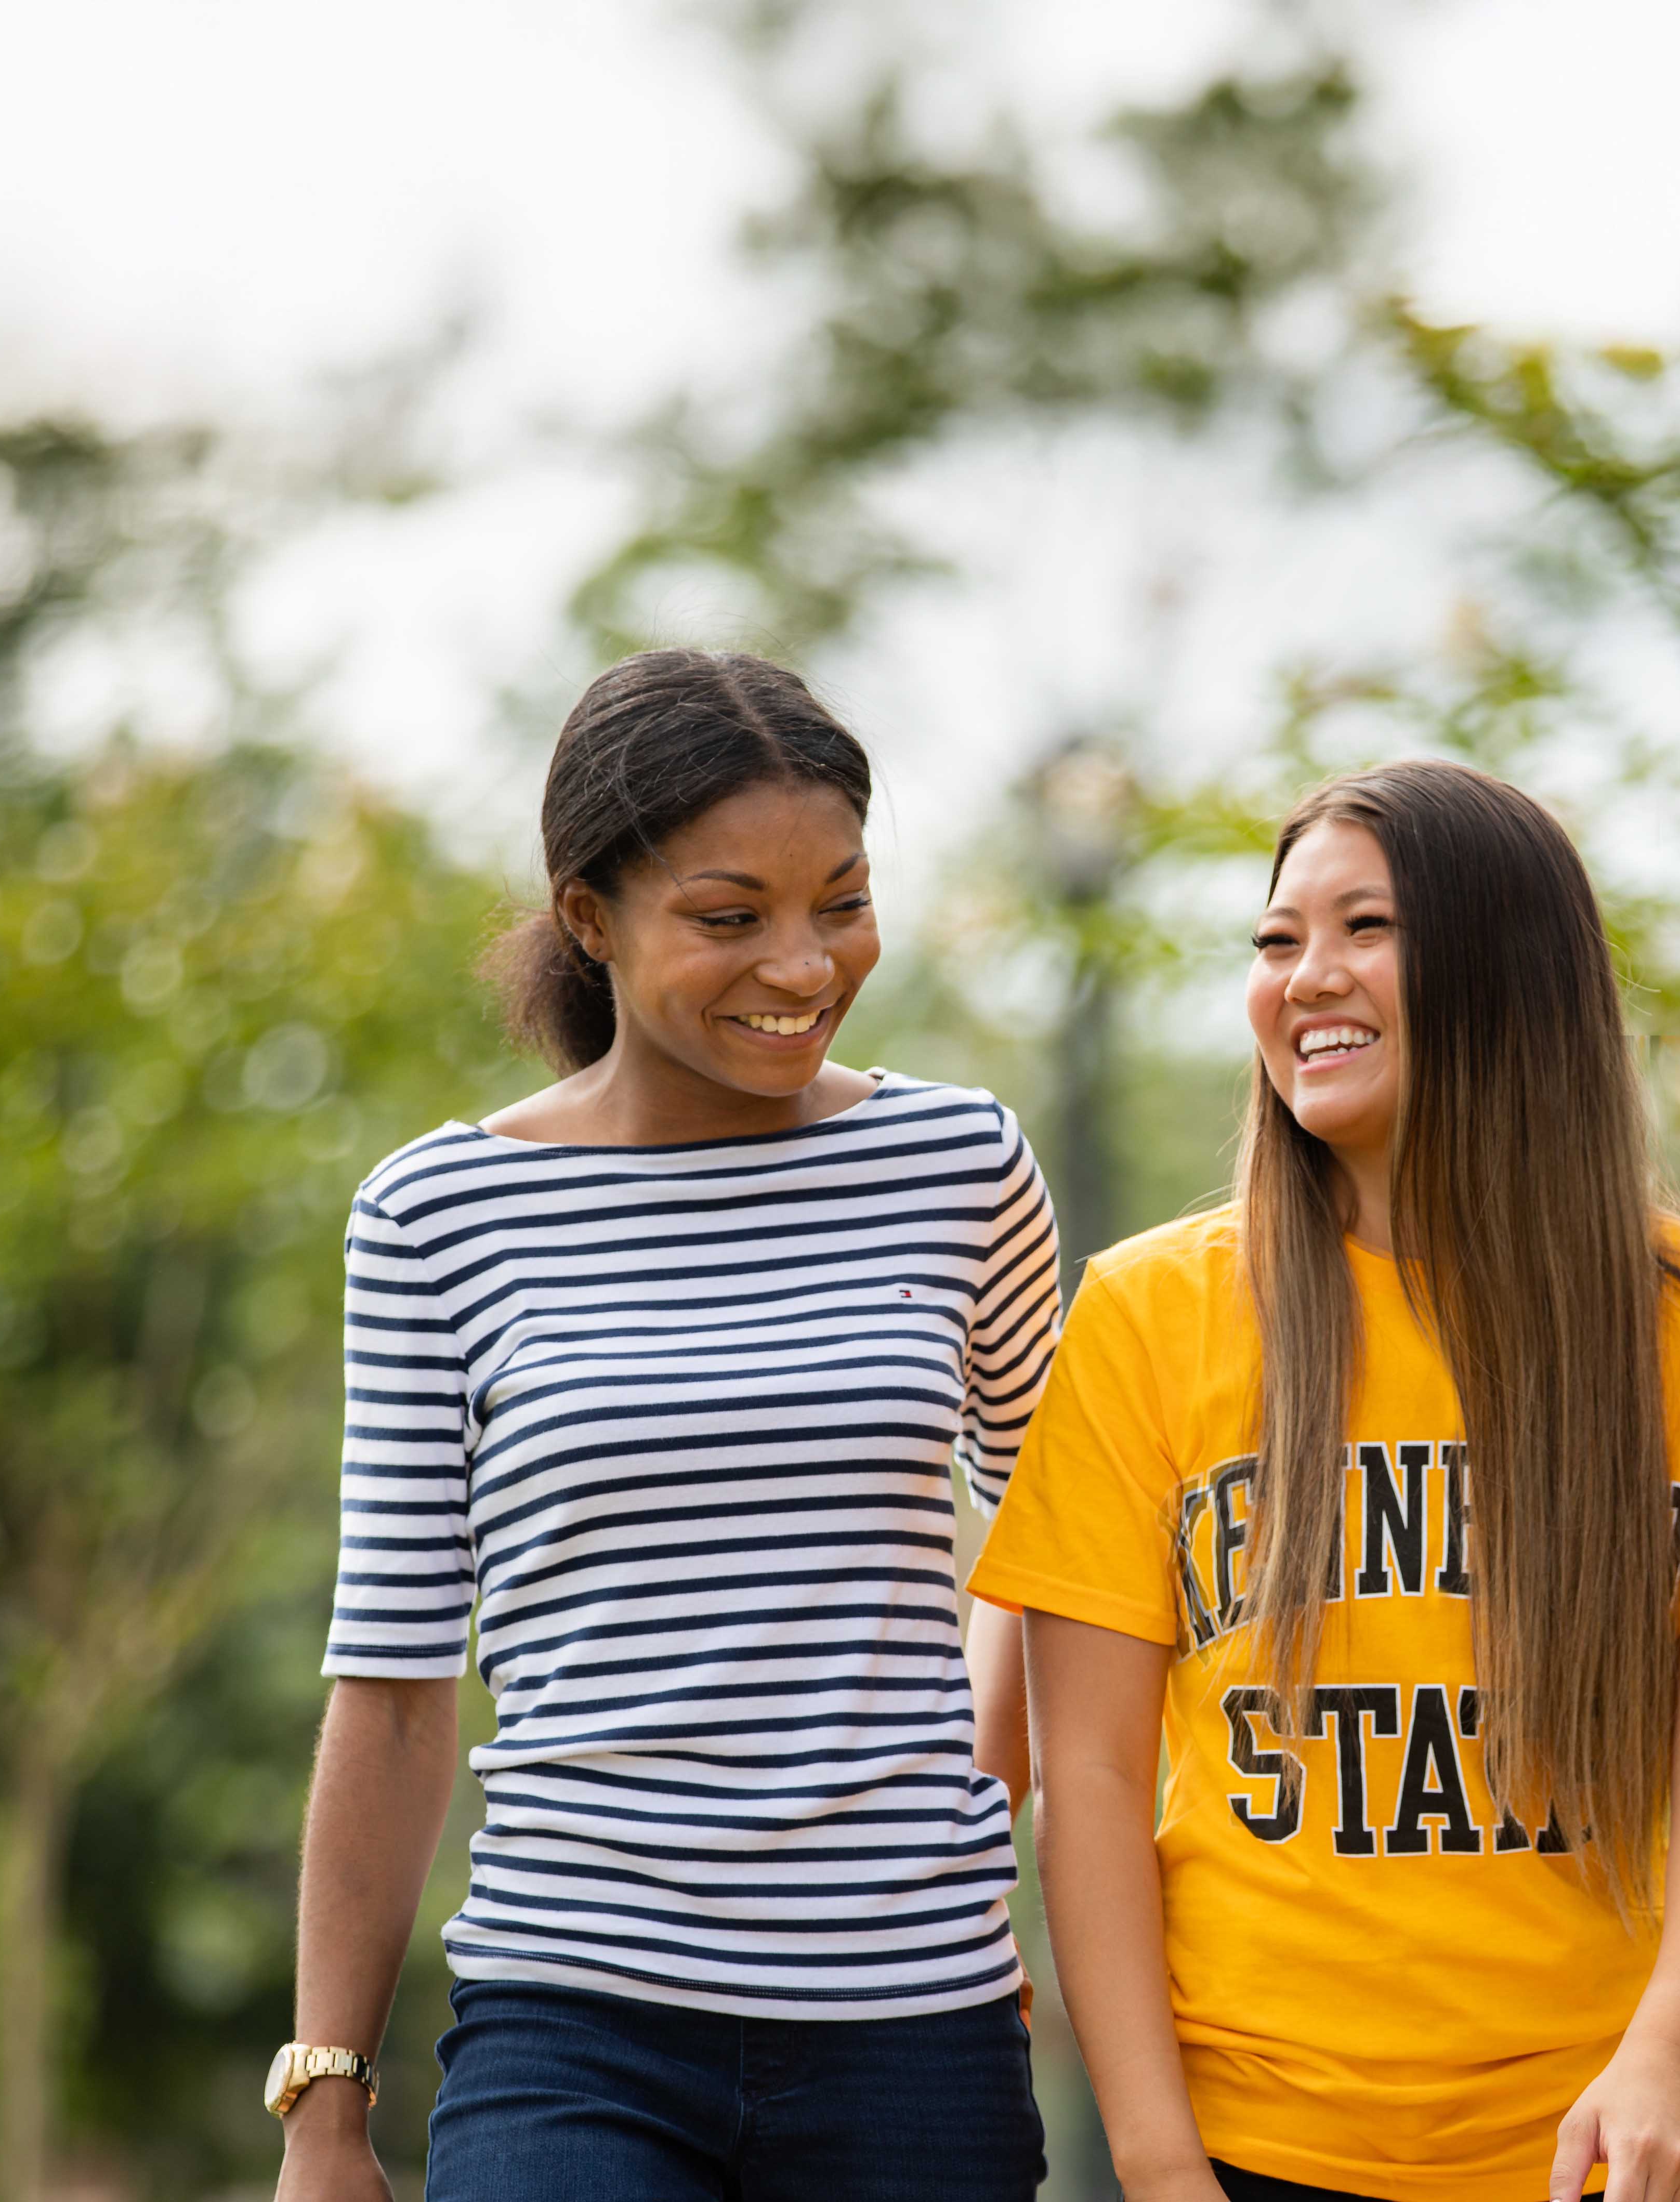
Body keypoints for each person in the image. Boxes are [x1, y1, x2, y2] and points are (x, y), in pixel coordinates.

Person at [975, 758, 1680, 2202]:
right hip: (1251, 2143)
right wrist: (1155, 2161)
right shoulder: (1147, 1313)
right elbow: (1081, 1774)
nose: (1306, 978)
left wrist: (1668, 2046)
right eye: (1278, 942)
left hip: (1609, 2136)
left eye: (1366, 929)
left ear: (1508, 967)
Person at [268, 650, 1060, 2202]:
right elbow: (396, 1683)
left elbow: (1068, 1559)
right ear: (588, 917)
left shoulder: (962, 1165)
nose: (803, 962)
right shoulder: (441, 1215)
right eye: (728, 914)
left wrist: (957, 1825)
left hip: (914, 2029)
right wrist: (325, 2102)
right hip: (575, 2027)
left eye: (841, 898)